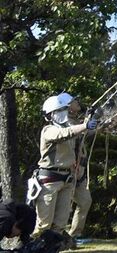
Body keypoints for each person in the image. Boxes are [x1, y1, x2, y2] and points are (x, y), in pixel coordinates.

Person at [33, 94, 97, 241]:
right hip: (50, 181)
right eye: (58, 111)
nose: (62, 113)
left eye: (63, 110)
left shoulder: (69, 127)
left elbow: (83, 132)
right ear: (49, 115)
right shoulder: (48, 130)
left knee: (59, 225)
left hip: (67, 179)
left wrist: (93, 119)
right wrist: (84, 125)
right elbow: (65, 133)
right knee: (43, 225)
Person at [64, 97, 92, 242]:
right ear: (68, 106)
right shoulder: (65, 122)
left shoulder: (75, 121)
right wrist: (87, 123)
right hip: (70, 169)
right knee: (64, 205)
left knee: (85, 201)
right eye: (74, 101)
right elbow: (76, 132)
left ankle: (74, 234)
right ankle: (56, 235)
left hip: (79, 169)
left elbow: (85, 130)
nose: (77, 102)